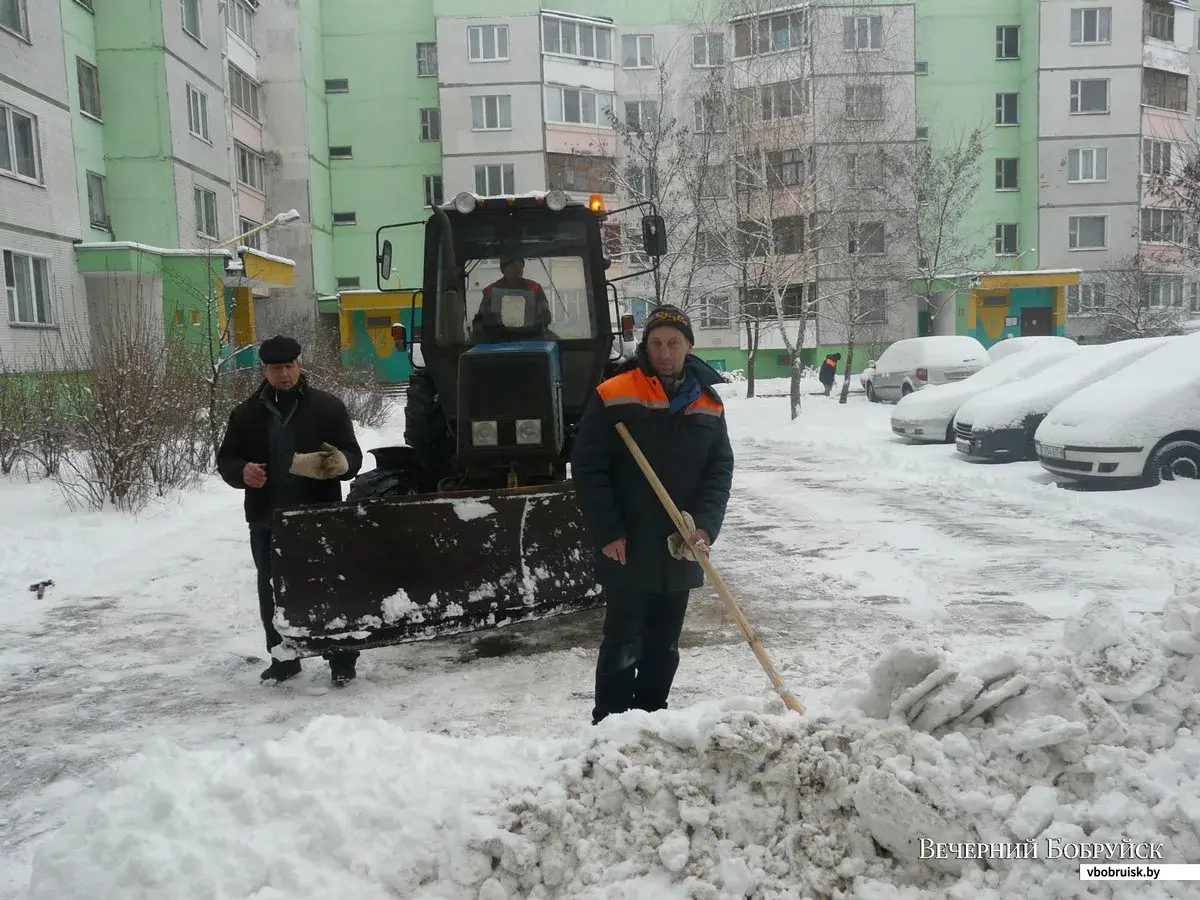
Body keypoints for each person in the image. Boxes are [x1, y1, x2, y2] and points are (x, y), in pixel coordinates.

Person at [571, 305, 735, 725]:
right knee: (623, 640)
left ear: (689, 347)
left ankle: (652, 720)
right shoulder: (615, 392)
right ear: (645, 346)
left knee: (665, 644)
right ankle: (609, 725)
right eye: (656, 343)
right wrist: (608, 531)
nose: (664, 352)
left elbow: (718, 471)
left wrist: (704, 526)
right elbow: (589, 466)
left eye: (674, 343)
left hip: (681, 544)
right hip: (629, 540)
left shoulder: (708, 402)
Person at [216, 335, 365, 685]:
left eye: (289, 366)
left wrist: (341, 462)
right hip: (268, 518)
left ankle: (341, 659)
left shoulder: (328, 408)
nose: (284, 374)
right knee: (272, 588)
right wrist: (243, 472)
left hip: (320, 515)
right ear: (264, 370)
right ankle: (284, 657)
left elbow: (353, 456)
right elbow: (227, 459)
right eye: (275, 368)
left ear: (299, 365)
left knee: (332, 585)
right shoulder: (246, 414)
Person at [476, 256, 552, 334]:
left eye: (521, 267)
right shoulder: (491, 291)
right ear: (503, 270)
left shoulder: (535, 288)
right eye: (514, 267)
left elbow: (545, 317)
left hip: (531, 336)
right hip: (498, 338)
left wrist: (543, 312)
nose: (519, 270)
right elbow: (481, 319)